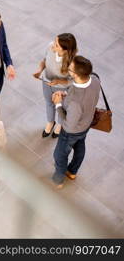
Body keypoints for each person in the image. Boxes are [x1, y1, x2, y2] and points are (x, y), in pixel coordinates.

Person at [51, 56, 100, 189]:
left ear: (76, 75)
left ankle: (58, 179)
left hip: (71, 132)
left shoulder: (75, 103)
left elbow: (67, 124)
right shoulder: (95, 79)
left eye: (70, 69)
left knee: (59, 155)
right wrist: (66, 94)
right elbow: (81, 93)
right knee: (79, 145)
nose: (68, 70)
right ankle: (72, 172)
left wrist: (58, 104)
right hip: (86, 123)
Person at [33, 33, 77, 138]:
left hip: (61, 89)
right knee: (49, 103)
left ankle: (59, 125)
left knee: (60, 107)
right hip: (46, 83)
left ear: (65, 50)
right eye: (55, 41)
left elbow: (74, 80)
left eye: (57, 45)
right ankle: (50, 122)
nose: (53, 45)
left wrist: (60, 81)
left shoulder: (73, 62)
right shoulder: (50, 46)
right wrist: (39, 71)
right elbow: (44, 60)